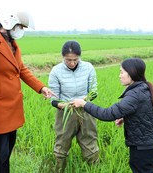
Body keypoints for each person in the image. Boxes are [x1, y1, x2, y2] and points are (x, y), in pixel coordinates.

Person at [0, 10, 57, 173]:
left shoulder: (12, 44)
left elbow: (21, 70)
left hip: (13, 107)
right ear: (8, 23)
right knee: (1, 154)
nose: (20, 30)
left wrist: (41, 87)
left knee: (7, 151)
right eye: (19, 26)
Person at [72, 58, 153, 173]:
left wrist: (84, 104)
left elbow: (107, 114)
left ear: (131, 73)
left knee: (141, 169)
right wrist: (125, 116)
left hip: (143, 147)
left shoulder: (134, 95)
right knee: (152, 167)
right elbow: (146, 112)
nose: (119, 76)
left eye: (122, 72)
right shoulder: (146, 87)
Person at [48, 41, 99, 172]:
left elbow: (94, 92)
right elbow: (53, 99)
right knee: (62, 143)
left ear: (80, 57)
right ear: (62, 57)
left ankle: (93, 168)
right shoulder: (56, 71)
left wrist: (84, 100)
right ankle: (60, 168)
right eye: (68, 60)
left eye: (75, 59)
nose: (72, 63)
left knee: (89, 142)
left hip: (86, 110)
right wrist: (63, 105)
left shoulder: (88, 68)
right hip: (65, 112)